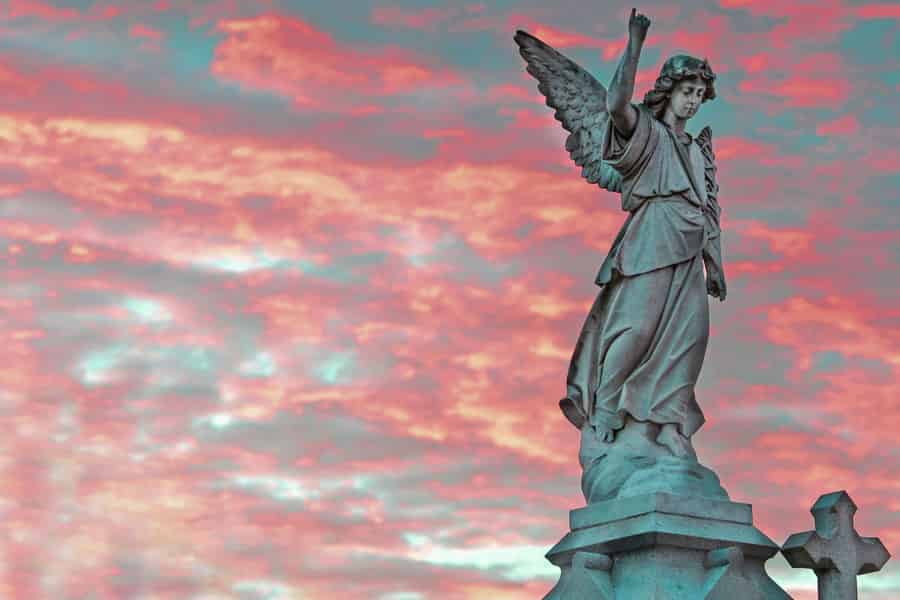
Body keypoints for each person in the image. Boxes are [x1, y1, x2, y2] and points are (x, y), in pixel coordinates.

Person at [558, 8, 727, 459]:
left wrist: (715, 262)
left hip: (690, 248)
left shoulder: (697, 150)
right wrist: (635, 42)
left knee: (688, 342)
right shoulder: (645, 133)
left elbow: (707, 208)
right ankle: (607, 406)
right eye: (687, 91)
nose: (693, 101)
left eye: (699, 94)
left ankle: (671, 425)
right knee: (635, 328)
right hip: (652, 236)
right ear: (669, 92)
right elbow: (614, 105)